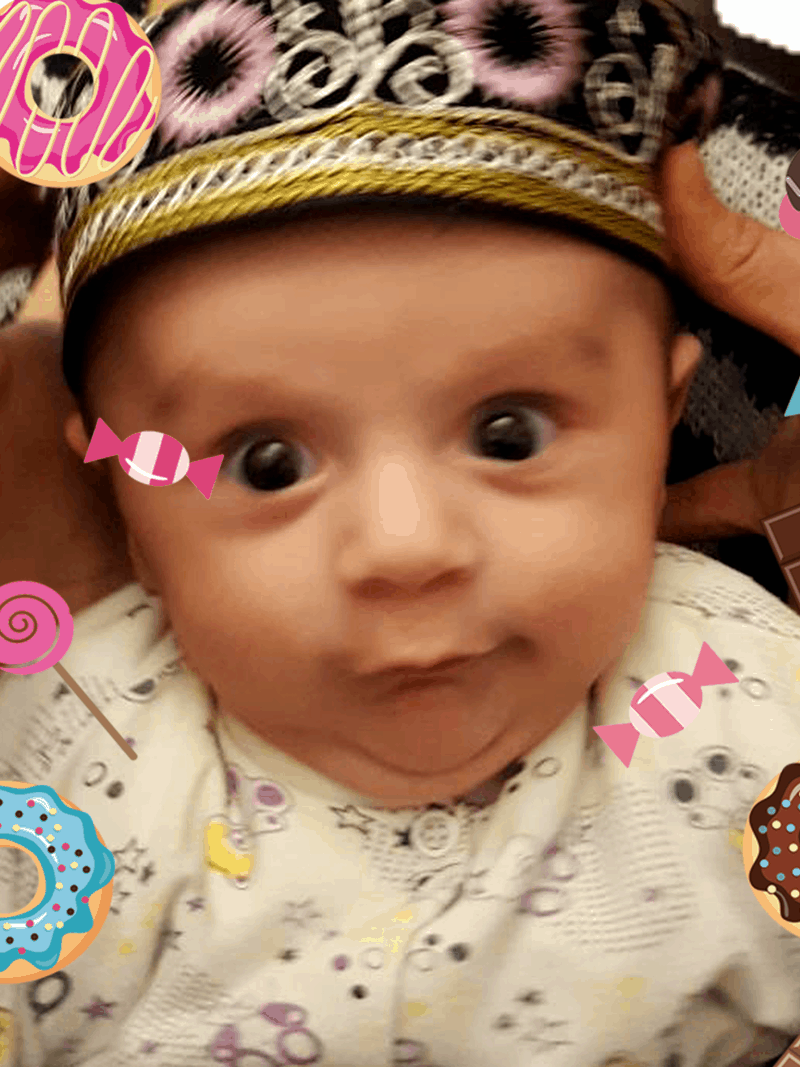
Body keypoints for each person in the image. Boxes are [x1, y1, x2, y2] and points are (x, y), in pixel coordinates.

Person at [0, 0, 800, 1064]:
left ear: (659, 428)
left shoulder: (750, 707)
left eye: (509, 434)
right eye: (267, 462)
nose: (406, 547)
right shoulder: (68, 753)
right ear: (129, 511)